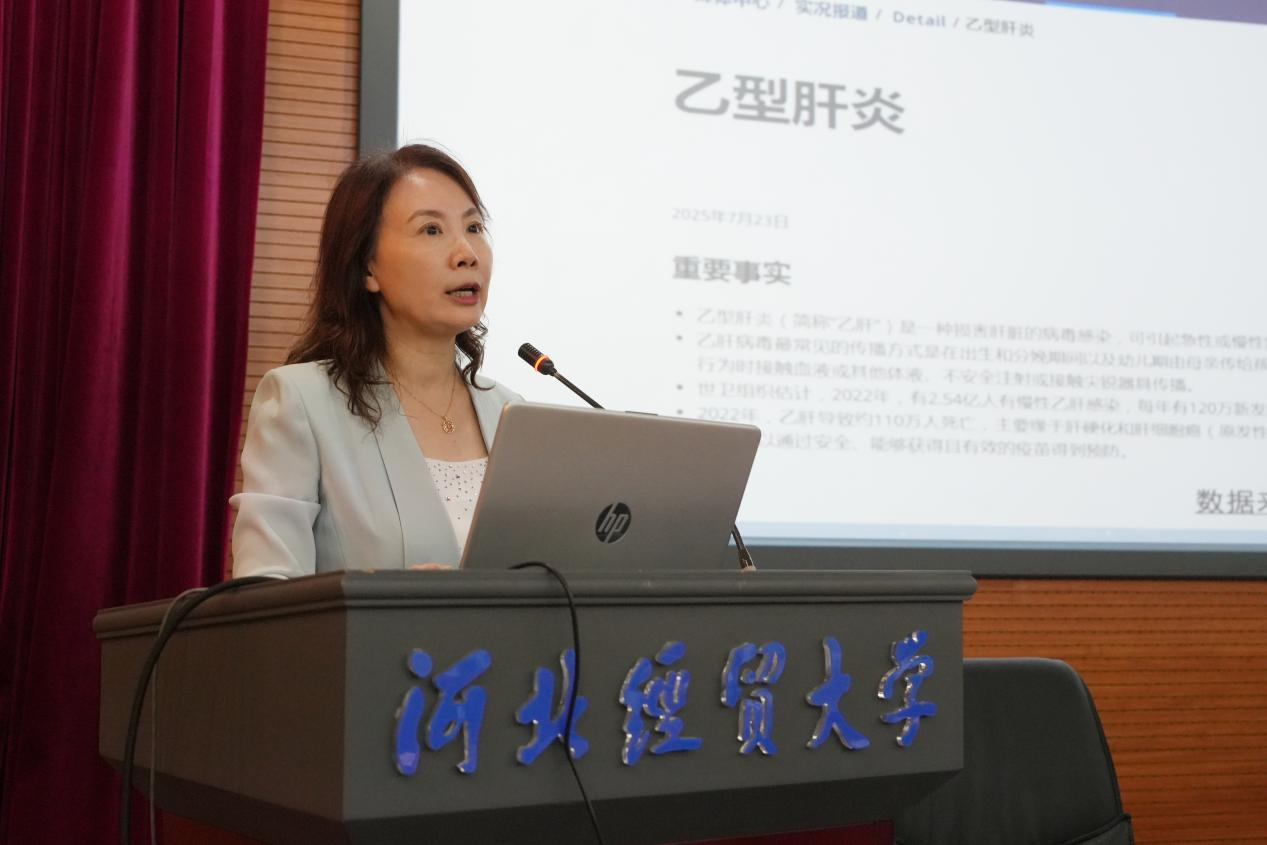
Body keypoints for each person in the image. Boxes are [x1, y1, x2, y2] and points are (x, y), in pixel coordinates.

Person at [230, 144, 521, 579]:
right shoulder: (302, 401)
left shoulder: (510, 413)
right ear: (368, 268)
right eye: (431, 230)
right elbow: (265, 588)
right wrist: (386, 601)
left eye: (474, 227)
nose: (467, 253)